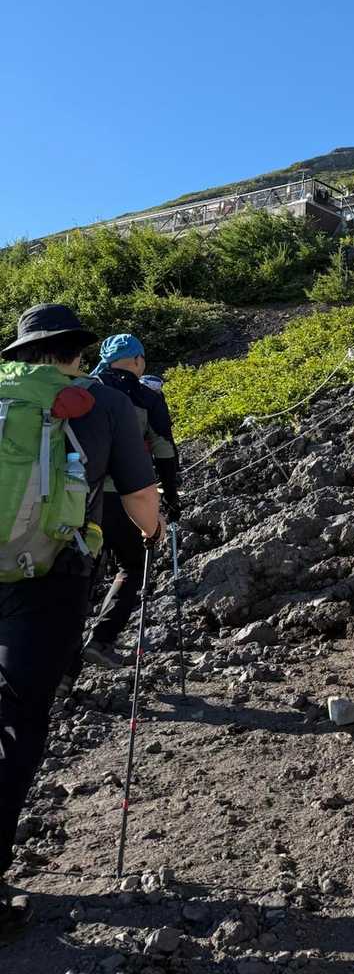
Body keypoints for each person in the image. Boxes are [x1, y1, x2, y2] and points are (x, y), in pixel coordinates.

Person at [0, 304, 163, 945]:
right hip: (49, 578)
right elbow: (140, 498)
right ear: (77, 352)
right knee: (18, 717)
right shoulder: (105, 403)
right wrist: (153, 532)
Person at [80, 334, 179, 671]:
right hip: (125, 497)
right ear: (137, 360)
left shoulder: (85, 389)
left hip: (78, 498)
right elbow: (164, 449)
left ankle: (63, 668)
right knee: (133, 565)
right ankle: (101, 640)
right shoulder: (146, 396)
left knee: (80, 575)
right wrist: (171, 497)